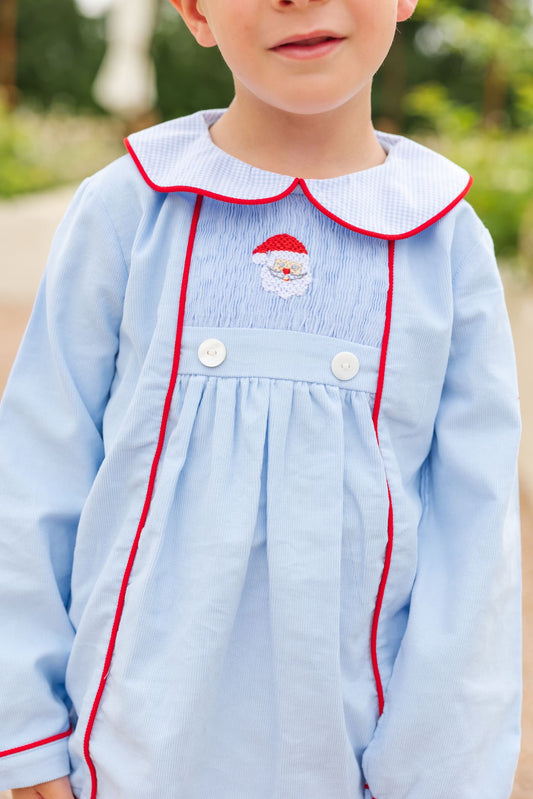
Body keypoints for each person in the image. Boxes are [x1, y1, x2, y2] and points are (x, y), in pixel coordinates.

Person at [0, 0, 522, 797]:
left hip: (350, 764)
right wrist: (25, 731)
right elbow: (34, 476)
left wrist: (439, 776)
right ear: (193, 9)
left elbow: (473, 544)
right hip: (119, 759)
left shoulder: (445, 244)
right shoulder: (126, 209)